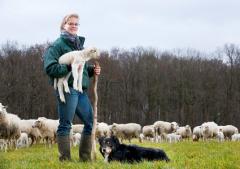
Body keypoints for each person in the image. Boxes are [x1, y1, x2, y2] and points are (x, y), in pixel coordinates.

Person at [43, 13, 101, 162]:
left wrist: (91, 71)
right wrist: (69, 66)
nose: (74, 26)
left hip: (81, 90)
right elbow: (50, 68)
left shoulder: (79, 46)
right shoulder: (56, 46)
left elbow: (81, 68)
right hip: (68, 90)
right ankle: (65, 160)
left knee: (89, 122)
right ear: (64, 25)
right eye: (71, 23)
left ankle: (85, 159)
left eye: (76, 24)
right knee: (66, 124)